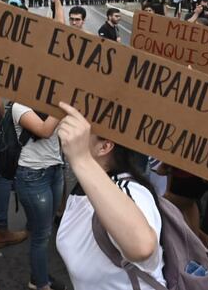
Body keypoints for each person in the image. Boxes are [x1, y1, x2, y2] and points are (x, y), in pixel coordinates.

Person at [55, 102, 166, 290]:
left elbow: (142, 247)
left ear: (105, 146)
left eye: (84, 128)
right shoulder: (83, 188)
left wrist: (81, 159)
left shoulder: (131, 192)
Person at [12, 103, 65, 290]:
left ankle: (38, 274)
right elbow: (44, 130)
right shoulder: (19, 105)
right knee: (41, 235)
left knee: (46, 229)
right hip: (32, 175)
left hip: (55, 170)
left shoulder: (49, 104)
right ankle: (40, 284)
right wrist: (65, 103)